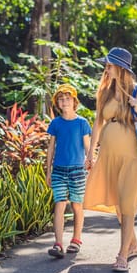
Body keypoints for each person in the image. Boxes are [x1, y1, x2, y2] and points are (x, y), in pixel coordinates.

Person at [83, 47, 137, 272]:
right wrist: (90, 153)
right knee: (117, 204)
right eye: (106, 64)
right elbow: (98, 123)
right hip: (108, 155)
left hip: (132, 157)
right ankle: (133, 244)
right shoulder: (105, 91)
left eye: (109, 64)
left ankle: (122, 254)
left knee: (127, 204)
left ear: (121, 68)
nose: (106, 68)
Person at [46, 84, 92, 259]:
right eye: (61, 99)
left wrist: (91, 161)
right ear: (57, 103)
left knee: (76, 205)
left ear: (74, 101)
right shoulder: (55, 123)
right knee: (59, 204)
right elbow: (51, 149)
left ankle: (76, 239)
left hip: (77, 171)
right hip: (58, 170)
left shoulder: (82, 123)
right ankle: (58, 243)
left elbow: (88, 147)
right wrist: (48, 171)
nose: (64, 102)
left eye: (67, 98)